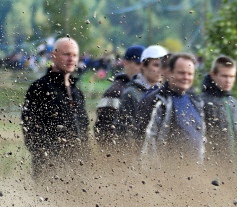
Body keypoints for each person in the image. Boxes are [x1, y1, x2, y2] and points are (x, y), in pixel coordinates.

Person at [21, 37, 88, 178]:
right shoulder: (40, 88)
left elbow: (84, 129)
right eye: (66, 54)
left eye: (74, 55)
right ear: (53, 55)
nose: (71, 59)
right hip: (49, 169)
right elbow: (29, 127)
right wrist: (48, 158)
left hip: (78, 170)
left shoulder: (77, 92)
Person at [134, 52, 205, 163]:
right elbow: (144, 141)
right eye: (181, 73)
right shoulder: (156, 100)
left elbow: (201, 139)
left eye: (190, 74)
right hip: (165, 169)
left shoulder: (196, 101)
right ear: (169, 72)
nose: (186, 77)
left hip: (193, 169)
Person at [116, 44, 167, 146]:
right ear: (143, 65)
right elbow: (124, 132)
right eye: (156, 65)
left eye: (164, 65)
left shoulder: (166, 93)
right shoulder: (131, 93)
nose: (160, 70)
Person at [94, 44, 144, 147]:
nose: (142, 68)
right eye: (138, 63)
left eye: (145, 64)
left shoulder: (145, 90)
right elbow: (102, 128)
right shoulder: (115, 91)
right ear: (126, 63)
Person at [201, 55, 237, 169]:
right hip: (212, 163)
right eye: (224, 76)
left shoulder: (232, 102)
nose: (228, 81)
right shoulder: (203, 102)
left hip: (233, 162)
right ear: (213, 75)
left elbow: (236, 132)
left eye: (232, 76)